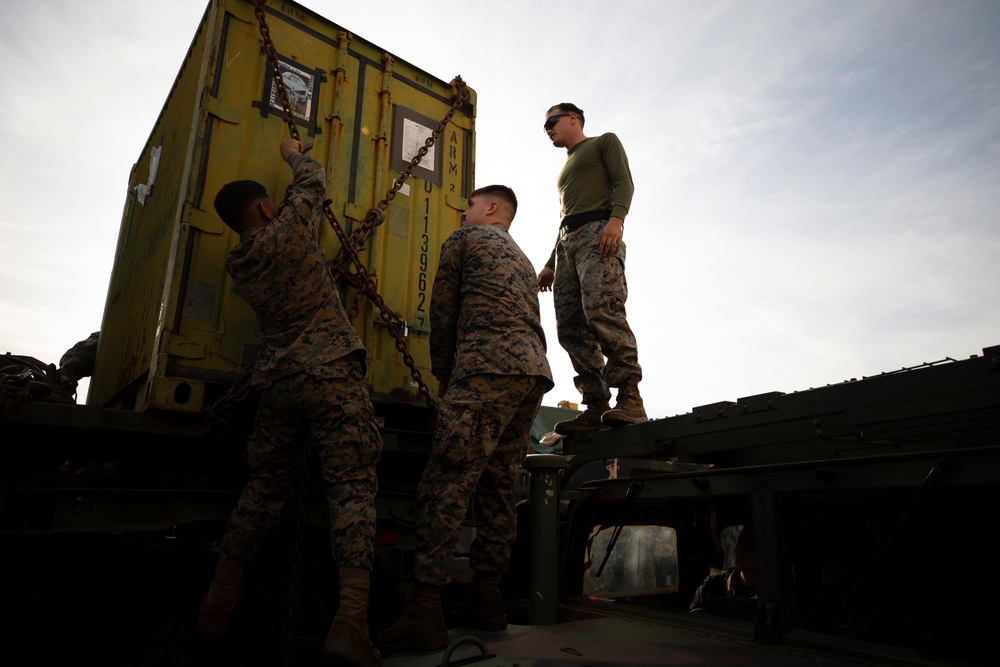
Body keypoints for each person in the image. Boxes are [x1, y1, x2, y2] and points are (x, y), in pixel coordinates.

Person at [200, 138, 383, 667]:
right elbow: (314, 181)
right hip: (330, 373)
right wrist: (291, 152)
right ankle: (350, 623)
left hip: (279, 382)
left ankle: (216, 604)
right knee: (352, 488)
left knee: (262, 491)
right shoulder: (290, 229)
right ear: (263, 208)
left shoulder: (239, 261)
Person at [376, 185, 553, 654]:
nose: (462, 213)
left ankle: (424, 611)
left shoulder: (464, 240)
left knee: (447, 482)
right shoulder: (520, 256)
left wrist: (441, 375)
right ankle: (487, 600)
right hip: (531, 373)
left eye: (469, 206)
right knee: (497, 486)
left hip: (485, 367)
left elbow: (443, 311)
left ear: (491, 208)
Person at [539, 102, 646, 434]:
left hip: (598, 234)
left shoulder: (603, 142)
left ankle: (630, 397)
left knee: (603, 310)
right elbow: (564, 219)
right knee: (570, 326)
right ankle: (595, 403)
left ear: (573, 118)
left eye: (551, 122)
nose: (548, 130)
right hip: (568, 244)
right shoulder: (565, 168)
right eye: (545, 127)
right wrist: (550, 263)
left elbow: (624, 183)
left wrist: (616, 222)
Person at [689, 525, 758, 619]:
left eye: (748, 546)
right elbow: (695, 619)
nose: (739, 549)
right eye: (739, 542)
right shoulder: (713, 583)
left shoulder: (774, 592)